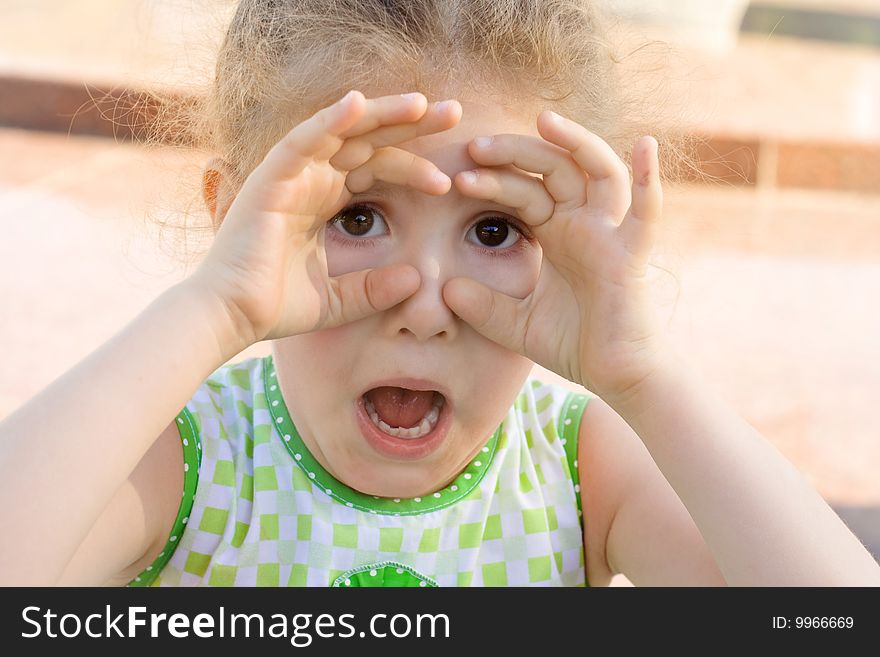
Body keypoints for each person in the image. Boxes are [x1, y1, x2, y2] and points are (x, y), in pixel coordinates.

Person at [1, 0, 877, 587]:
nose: (424, 304)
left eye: (495, 230)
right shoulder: (189, 465)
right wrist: (213, 306)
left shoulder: (579, 473)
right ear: (234, 220)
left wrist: (642, 373)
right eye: (357, 216)